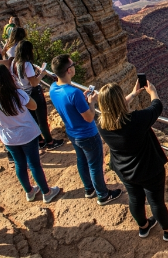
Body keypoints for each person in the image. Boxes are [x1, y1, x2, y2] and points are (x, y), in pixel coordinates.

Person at [96, 80, 168, 241]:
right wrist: (152, 92)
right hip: (148, 169)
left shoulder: (102, 124)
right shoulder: (136, 120)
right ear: (119, 100)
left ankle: (143, 227)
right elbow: (156, 107)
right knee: (156, 202)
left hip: (124, 170)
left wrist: (133, 93)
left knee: (135, 198)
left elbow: (114, 110)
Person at [0, 64, 61, 203]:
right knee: (34, 164)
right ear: (8, 78)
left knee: (19, 164)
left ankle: (29, 192)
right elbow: (34, 106)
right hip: (27, 134)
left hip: (8, 138)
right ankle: (46, 193)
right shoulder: (17, 93)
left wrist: (0, 120)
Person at [49, 54, 122, 205]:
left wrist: (82, 100)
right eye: (73, 64)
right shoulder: (73, 93)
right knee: (95, 166)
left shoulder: (53, 88)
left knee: (81, 160)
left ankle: (89, 189)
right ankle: (103, 195)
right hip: (87, 135)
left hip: (72, 133)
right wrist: (92, 102)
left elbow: (69, 106)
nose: (74, 66)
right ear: (69, 70)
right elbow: (89, 117)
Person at [12, 40, 64, 150]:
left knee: (33, 118)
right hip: (34, 94)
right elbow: (34, 83)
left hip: (24, 94)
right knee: (42, 119)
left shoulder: (14, 63)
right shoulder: (26, 64)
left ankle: (40, 141)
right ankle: (50, 142)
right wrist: (42, 74)